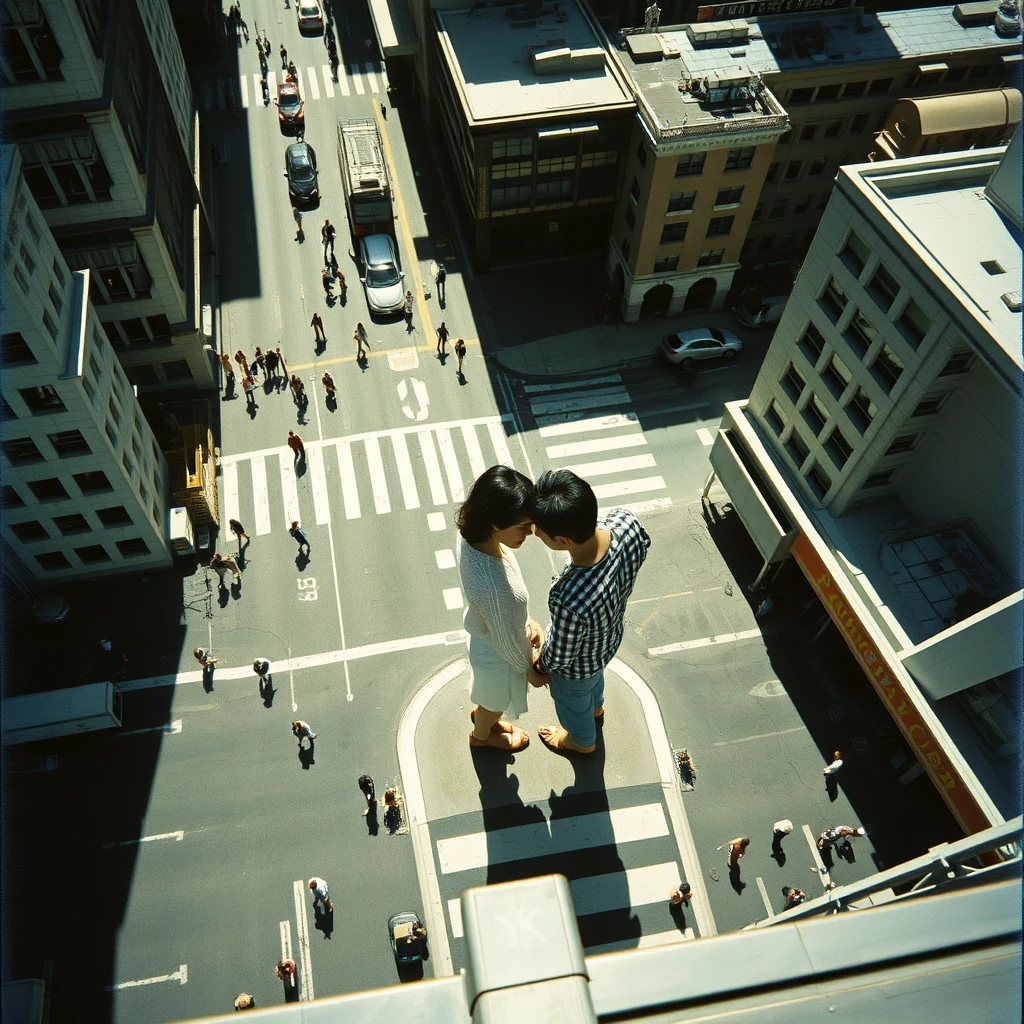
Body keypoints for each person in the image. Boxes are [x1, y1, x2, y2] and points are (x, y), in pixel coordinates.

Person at [528, 470, 651, 754]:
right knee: (594, 684)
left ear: (562, 541)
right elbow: (643, 545)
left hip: (577, 671)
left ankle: (580, 741)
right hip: (609, 641)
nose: (534, 532)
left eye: (538, 530)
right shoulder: (625, 523)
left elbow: (560, 654)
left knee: (574, 704)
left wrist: (539, 666)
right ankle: (597, 710)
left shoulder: (568, 597)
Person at [457, 466, 542, 751]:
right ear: (495, 523)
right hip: (497, 654)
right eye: (523, 526)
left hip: (486, 638)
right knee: (496, 701)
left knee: (490, 698)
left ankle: (486, 719)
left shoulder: (473, 538)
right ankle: (482, 736)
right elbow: (507, 643)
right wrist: (531, 669)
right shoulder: (493, 589)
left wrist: (528, 620)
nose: (531, 532)